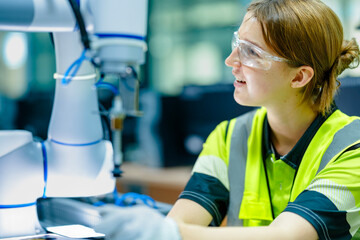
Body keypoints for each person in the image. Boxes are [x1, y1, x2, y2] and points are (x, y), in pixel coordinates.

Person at [95, 0, 360, 239]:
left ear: (299, 77)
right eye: (238, 45)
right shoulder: (229, 136)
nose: (230, 60)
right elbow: (181, 224)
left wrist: (161, 230)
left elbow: (287, 236)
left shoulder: (352, 149)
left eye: (252, 53)